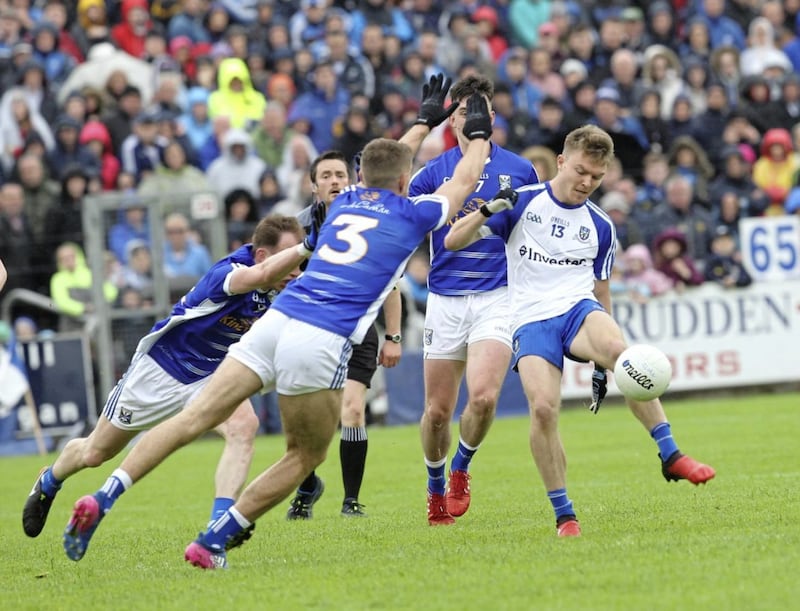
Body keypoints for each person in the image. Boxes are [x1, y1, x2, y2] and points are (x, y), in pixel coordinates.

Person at [61, 85, 492, 570]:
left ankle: (104, 496)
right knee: (305, 455)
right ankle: (213, 540)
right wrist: (476, 132)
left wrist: (423, 121)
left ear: (358, 176)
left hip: (276, 322)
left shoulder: (345, 199)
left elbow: (389, 162)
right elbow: (465, 178)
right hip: (323, 337)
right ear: (405, 181)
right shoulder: (415, 213)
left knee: (191, 420)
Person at [444, 124, 716, 538]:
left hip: (577, 309)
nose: (587, 182)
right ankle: (564, 514)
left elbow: (601, 290)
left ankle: (670, 453)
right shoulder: (523, 203)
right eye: (581, 172)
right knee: (544, 409)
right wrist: (487, 210)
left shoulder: (601, 225)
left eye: (597, 176)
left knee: (625, 357)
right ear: (561, 162)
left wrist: (604, 364)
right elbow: (451, 242)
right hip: (531, 319)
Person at [22, 214, 314, 553]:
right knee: (95, 452)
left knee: (243, 427)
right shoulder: (231, 272)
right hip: (161, 369)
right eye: (290, 258)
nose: (296, 269)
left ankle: (217, 529)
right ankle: (49, 481)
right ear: (265, 256)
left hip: (211, 375)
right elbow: (260, 276)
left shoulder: (280, 282)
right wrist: (305, 246)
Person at [407, 74, 539, 525]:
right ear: (452, 119)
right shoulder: (431, 173)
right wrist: (413, 268)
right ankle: (434, 482)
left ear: (493, 117)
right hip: (444, 300)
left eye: (480, 110)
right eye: (464, 111)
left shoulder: (520, 171)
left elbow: (527, 237)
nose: (472, 118)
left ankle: (461, 466)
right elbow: (401, 223)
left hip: (497, 297)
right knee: (437, 412)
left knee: (482, 399)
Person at [285, 150, 403, 519]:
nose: (334, 181)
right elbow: (279, 273)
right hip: (312, 330)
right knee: (309, 422)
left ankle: (351, 501)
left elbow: (392, 284)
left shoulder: (369, 219)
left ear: (351, 180)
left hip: (359, 329)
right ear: (313, 184)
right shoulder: (298, 228)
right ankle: (307, 488)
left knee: (353, 410)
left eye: (340, 174)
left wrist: (394, 337)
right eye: (326, 176)